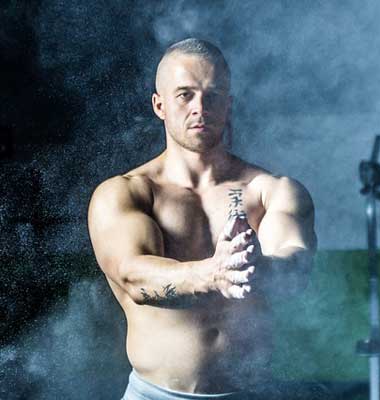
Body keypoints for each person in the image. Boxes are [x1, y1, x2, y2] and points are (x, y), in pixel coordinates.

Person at [87, 38, 317, 400]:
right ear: (159, 105)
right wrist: (213, 273)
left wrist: (260, 268)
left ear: (229, 104)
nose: (200, 107)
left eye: (213, 95)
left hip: (250, 393)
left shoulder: (271, 191)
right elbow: (133, 275)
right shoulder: (126, 193)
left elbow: (296, 268)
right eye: (185, 95)